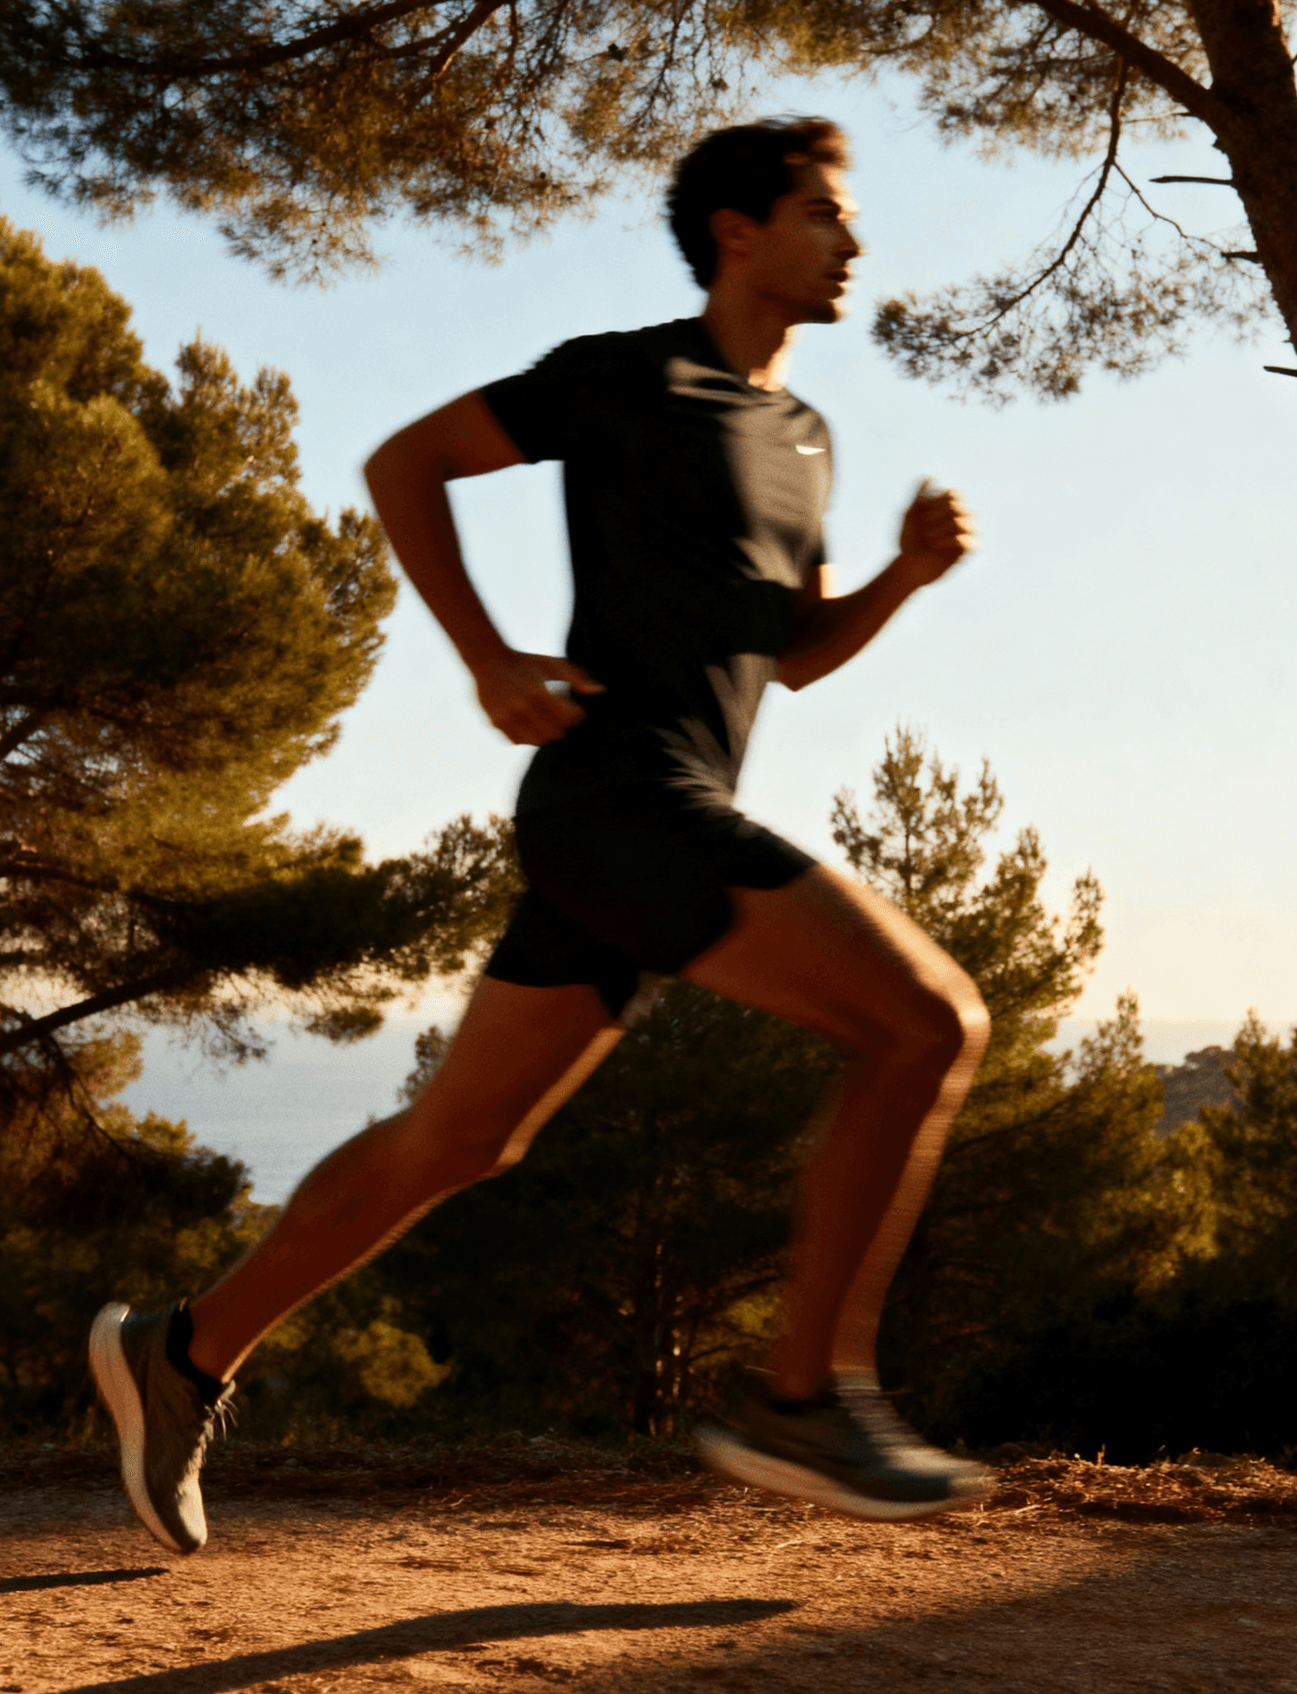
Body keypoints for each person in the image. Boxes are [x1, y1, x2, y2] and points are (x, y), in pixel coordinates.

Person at [88, 116, 992, 1555]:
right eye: (825, 210)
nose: (853, 240)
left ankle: (181, 1351)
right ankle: (800, 1396)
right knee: (927, 1025)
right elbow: (405, 464)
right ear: (737, 232)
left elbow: (796, 656)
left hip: (659, 809)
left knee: (461, 1139)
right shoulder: (624, 376)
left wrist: (902, 577)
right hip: (618, 796)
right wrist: (489, 657)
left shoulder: (803, 441)